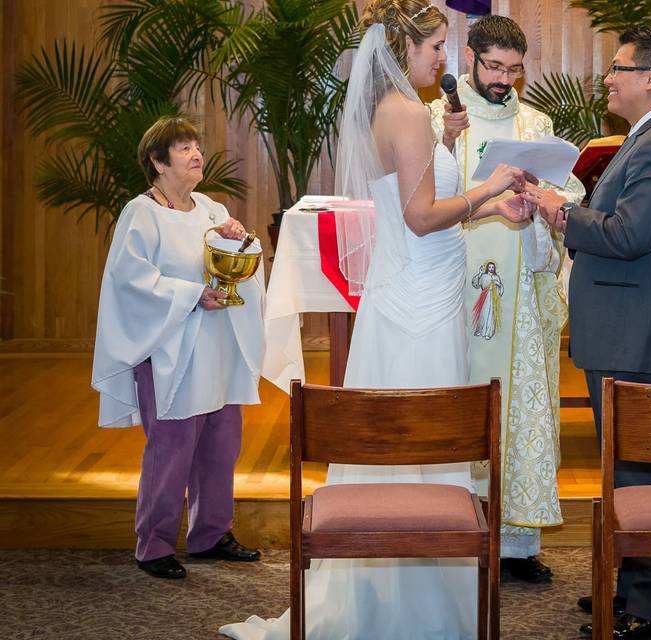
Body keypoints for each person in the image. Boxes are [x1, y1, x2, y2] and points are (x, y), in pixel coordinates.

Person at [219, 2, 530, 638]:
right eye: (437, 46)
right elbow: (420, 217)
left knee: (403, 442)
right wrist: (491, 186)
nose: (445, 58)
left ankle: (400, 590)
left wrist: (447, 151)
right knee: (426, 435)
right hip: (421, 302)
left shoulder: (391, 112)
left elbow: (410, 197)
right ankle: (416, 603)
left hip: (413, 292)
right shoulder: (408, 111)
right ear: (403, 49)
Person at [526, 26, 651, 639]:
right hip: (624, 325)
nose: (608, 77)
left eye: (619, 68)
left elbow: (630, 235)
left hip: (634, 329)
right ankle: (633, 587)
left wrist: (561, 211)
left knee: (642, 469)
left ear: (650, 78)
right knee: (626, 465)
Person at [427, 14, 585, 584]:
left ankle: (517, 546)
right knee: (462, 400)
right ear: (469, 59)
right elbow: (422, 195)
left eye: (515, 70)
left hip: (519, 290)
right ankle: (454, 532)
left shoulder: (535, 120)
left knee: (521, 409)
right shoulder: (437, 118)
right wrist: (446, 139)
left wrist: (541, 191)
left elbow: (566, 187)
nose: (505, 80)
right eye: (495, 67)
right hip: (454, 288)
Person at [91, 116, 266, 580]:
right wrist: (192, 296)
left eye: (196, 146)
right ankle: (153, 544)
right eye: (184, 148)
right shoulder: (141, 213)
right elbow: (130, 281)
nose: (196, 155)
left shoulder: (210, 208)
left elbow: (240, 262)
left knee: (221, 445)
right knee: (171, 449)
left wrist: (242, 242)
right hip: (169, 351)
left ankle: (210, 534)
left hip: (217, 349)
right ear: (157, 160)